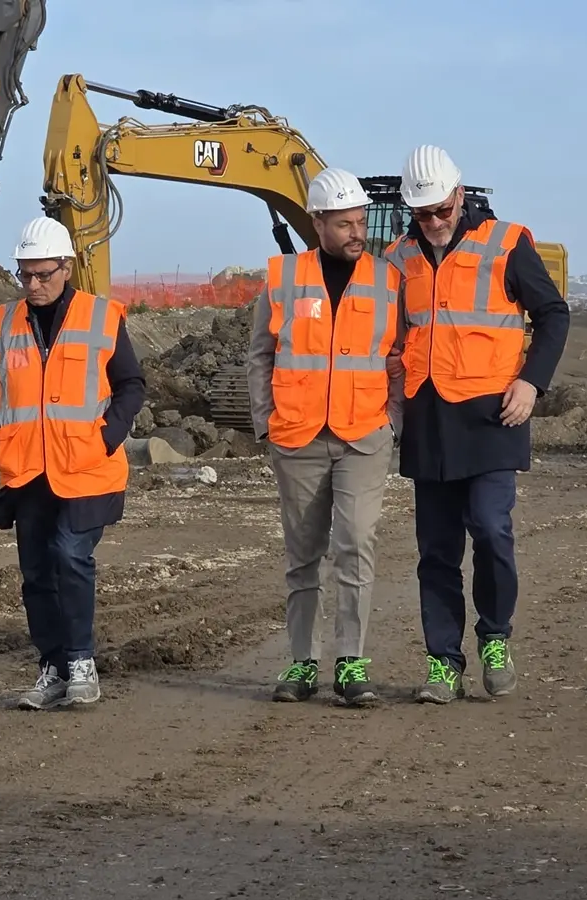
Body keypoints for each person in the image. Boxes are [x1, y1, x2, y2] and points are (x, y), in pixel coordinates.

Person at [384, 145, 569, 703]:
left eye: (442, 210)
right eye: (423, 215)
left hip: (494, 414)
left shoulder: (506, 243)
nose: (435, 223)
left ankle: (494, 636)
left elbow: (554, 314)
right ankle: (443, 660)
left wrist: (531, 382)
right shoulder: (397, 259)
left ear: (460, 196)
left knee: (491, 530)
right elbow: (389, 338)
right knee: (436, 550)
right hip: (429, 418)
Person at [246, 167, 404, 707]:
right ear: (317, 223)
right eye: (344, 224)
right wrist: (266, 419)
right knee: (303, 555)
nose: (356, 233)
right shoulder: (283, 278)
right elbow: (260, 357)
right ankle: (302, 663)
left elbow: (399, 359)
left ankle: (352, 662)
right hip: (298, 436)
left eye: (360, 222)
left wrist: (393, 420)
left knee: (355, 543)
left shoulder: (388, 279)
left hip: (364, 435)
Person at [0, 216, 145, 710]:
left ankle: (80, 661)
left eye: (43, 274)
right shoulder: (6, 321)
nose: (33, 284)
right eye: (25, 275)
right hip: (28, 470)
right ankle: (51, 666)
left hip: (88, 466)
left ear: (66, 268)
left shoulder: (101, 317)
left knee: (71, 554)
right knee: (36, 572)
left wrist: (108, 435)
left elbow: (131, 385)